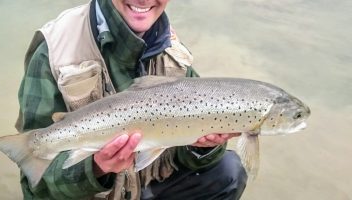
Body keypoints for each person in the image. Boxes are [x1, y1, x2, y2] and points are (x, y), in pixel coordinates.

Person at [16, 0, 248, 199]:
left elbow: (189, 163)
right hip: (90, 194)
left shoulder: (173, 51)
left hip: (146, 187)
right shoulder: (55, 50)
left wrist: (202, 147)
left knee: (228, 171)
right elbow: (38, 189)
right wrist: (95, 167)